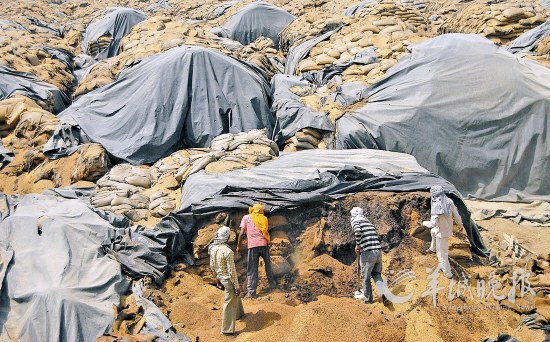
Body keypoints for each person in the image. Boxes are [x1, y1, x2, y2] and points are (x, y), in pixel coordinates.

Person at [209, 226, 245, 335]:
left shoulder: (213, 248)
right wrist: (237, 286)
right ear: (228, 237)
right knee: (229, 302)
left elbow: (212, 265)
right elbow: (232, 271)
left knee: (235, 295)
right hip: (228, 280)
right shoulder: (228, 251)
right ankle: (227, 330)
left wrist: (217, 277)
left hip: (220, 277)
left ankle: (239, 314)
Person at [236, 203, 277, 298]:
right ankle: (273, 284)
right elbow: (265, 231)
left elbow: (241, 233)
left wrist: (239, 245)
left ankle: (251, 292)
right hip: (263, 244)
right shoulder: (264, 218)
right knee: (268, 266)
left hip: (252, 246)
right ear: (261, 210)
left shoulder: (246, 218)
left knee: (252, 269)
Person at [422, 185, 463, 279]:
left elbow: (433, 223)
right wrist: (460, 224)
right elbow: (457, 216)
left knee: (442, 254)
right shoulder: (449, 201)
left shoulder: (436, 206)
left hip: (441, 233)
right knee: (433, 232)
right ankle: (432, 248)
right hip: (446, 229)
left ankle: (448, 273)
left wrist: (424, 223)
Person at [350, 206, 386, 304]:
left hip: (368, 253)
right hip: (378, 251)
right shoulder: (369, 223)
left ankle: (368, 300)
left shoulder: (355, 221)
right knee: (376, 274)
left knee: (365, 277)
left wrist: (358, 245)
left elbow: (357, 231)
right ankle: (383, 293)